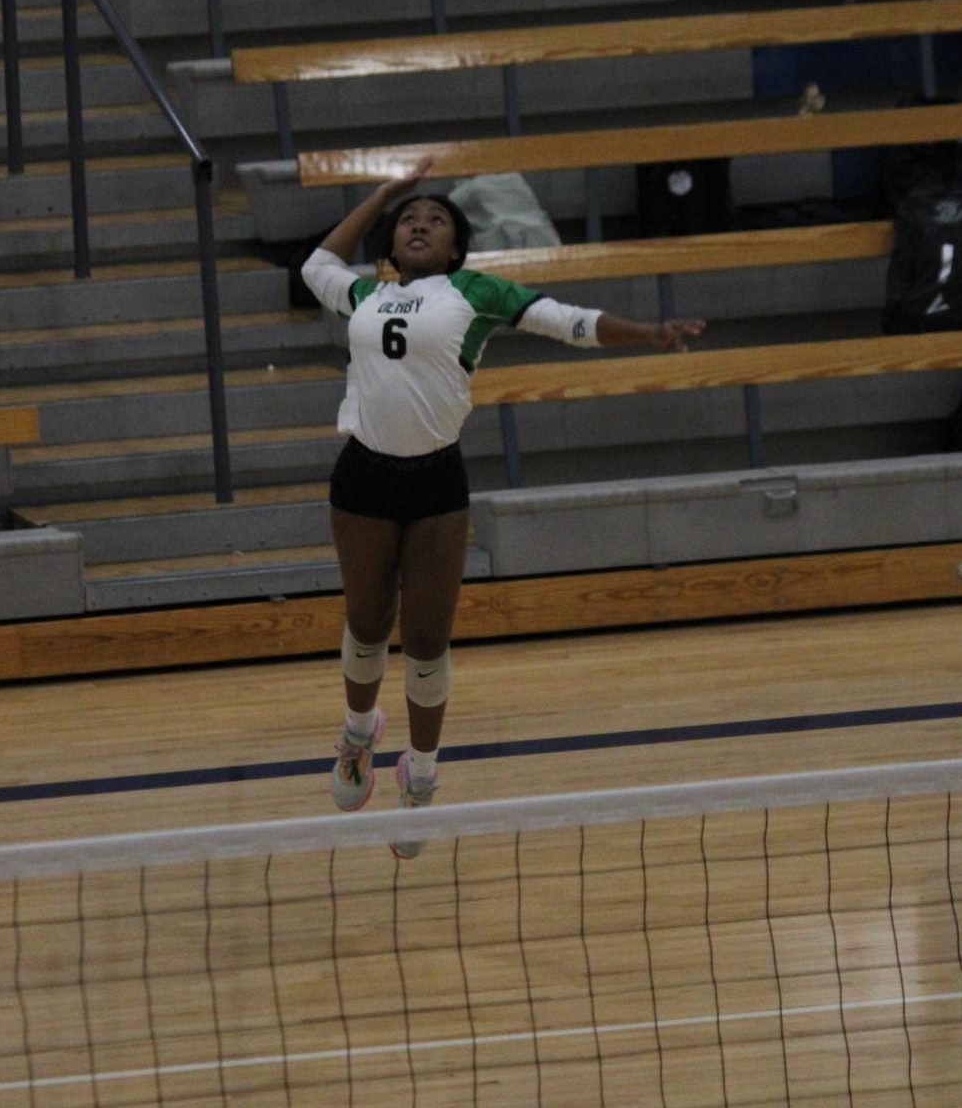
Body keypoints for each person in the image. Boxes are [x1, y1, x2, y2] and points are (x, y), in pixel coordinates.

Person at [301, 158, 705, 856]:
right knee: (367, 624)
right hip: (362, 478)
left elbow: (570, 322)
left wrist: (645, 333)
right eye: (409, 220)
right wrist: (381, 194)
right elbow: (316, 263)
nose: (419, 223)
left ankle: (421, 777)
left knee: (426, 644)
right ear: (392, 245)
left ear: (457, 246)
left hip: (435, 486)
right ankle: (357, 733)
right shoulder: (362, 294)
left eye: (435, 219)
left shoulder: (477, 291)